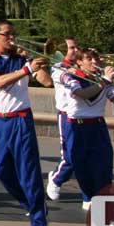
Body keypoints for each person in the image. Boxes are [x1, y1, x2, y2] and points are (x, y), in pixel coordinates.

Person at [0, 20, 53, 226]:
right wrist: (26, 69)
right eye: (7, 34)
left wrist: (39, 65)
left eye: (13, 34)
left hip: (20, 120)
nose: (12, 38)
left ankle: (39, 224)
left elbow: (46, 82)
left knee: (28, 172)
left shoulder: (22, 58)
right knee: (2, 171)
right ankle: (32, 205)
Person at [54, 48, 114, 211]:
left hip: (98, 127)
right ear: (79, 62)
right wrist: (105, 81)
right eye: (89, 59)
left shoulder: (104, 81)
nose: (95, 62)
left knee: (104, 165)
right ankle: (87, 196)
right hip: (76, 127)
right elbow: (82, 94)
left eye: (96, 59)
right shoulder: (70, 76)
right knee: (80, 165)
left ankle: (103, 199)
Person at [46, 37, 81, 200]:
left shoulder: (82, 66)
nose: (76, 50)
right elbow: (66, 78)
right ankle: (56, 179)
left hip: (85, 116)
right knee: (70, 156)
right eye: (71, 48)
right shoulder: (58, 67)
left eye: (76, 47)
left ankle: (89, 196)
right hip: (67, 116)